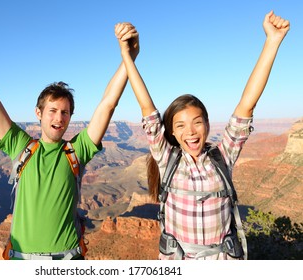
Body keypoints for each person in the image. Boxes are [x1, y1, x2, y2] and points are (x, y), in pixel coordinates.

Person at [0, 2, 139, 260]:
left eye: (65, 112)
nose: (59, 118)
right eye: (53, 111)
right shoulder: (20, 146)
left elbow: (108, 104)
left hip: (67, 260)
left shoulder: (76, 150)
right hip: (21, 260)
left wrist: (129, 58)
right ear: (39, 113)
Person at [115, 10, 289, 260]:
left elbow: (246, 106)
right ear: (172, 132)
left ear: (207, 124)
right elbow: (147, 109)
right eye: (181, 125)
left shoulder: (223, 156)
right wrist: (126, 56)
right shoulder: (167, 160)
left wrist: (272, 41)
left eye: (197, 122)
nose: (191, 131)